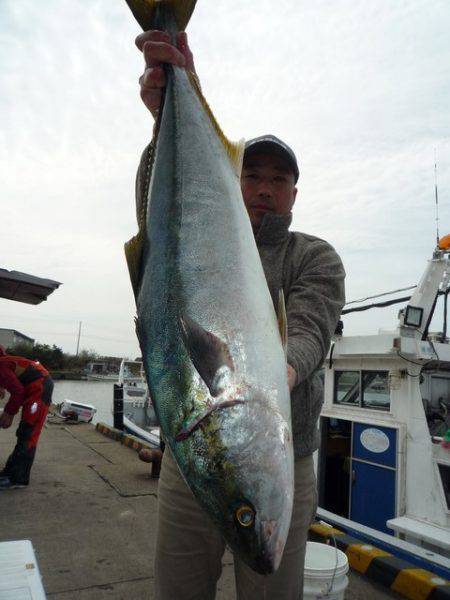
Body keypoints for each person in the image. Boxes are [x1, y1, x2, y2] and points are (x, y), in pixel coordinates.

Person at [134, 30, 345, 600]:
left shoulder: (313, 256)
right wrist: (168, 110)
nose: (265, 189)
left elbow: (309, 329)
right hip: (191, 459)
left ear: (294, 194)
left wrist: (280, 375)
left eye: (280, 180)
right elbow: (161, 215)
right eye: (252, 175)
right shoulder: (206, 228)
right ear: (230, 177)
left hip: (285, 458)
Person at [0, 345, 54, 489]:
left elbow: (18, 392)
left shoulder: (1, 366)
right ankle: (9, 473)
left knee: (28, 433)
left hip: (40, 387)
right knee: (24, 432)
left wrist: (9, 413)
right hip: (37, 383)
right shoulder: (4, 362)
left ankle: (18, 479)